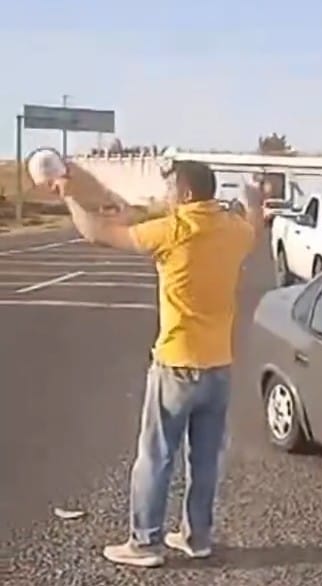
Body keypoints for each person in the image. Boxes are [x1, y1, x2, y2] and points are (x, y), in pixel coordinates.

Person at [51, 160, 263, 568]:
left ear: (184, 195)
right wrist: (254, 199)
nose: (165, 196)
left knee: (156, 455)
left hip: (176, 365)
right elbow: (254, 225)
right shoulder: (233, 230)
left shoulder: (172, 232)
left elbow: (97, 233)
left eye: (170, 189)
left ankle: (145, 543)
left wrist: (71, 195)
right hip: (218, 366)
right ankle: (196, 537)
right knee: (204, 458)